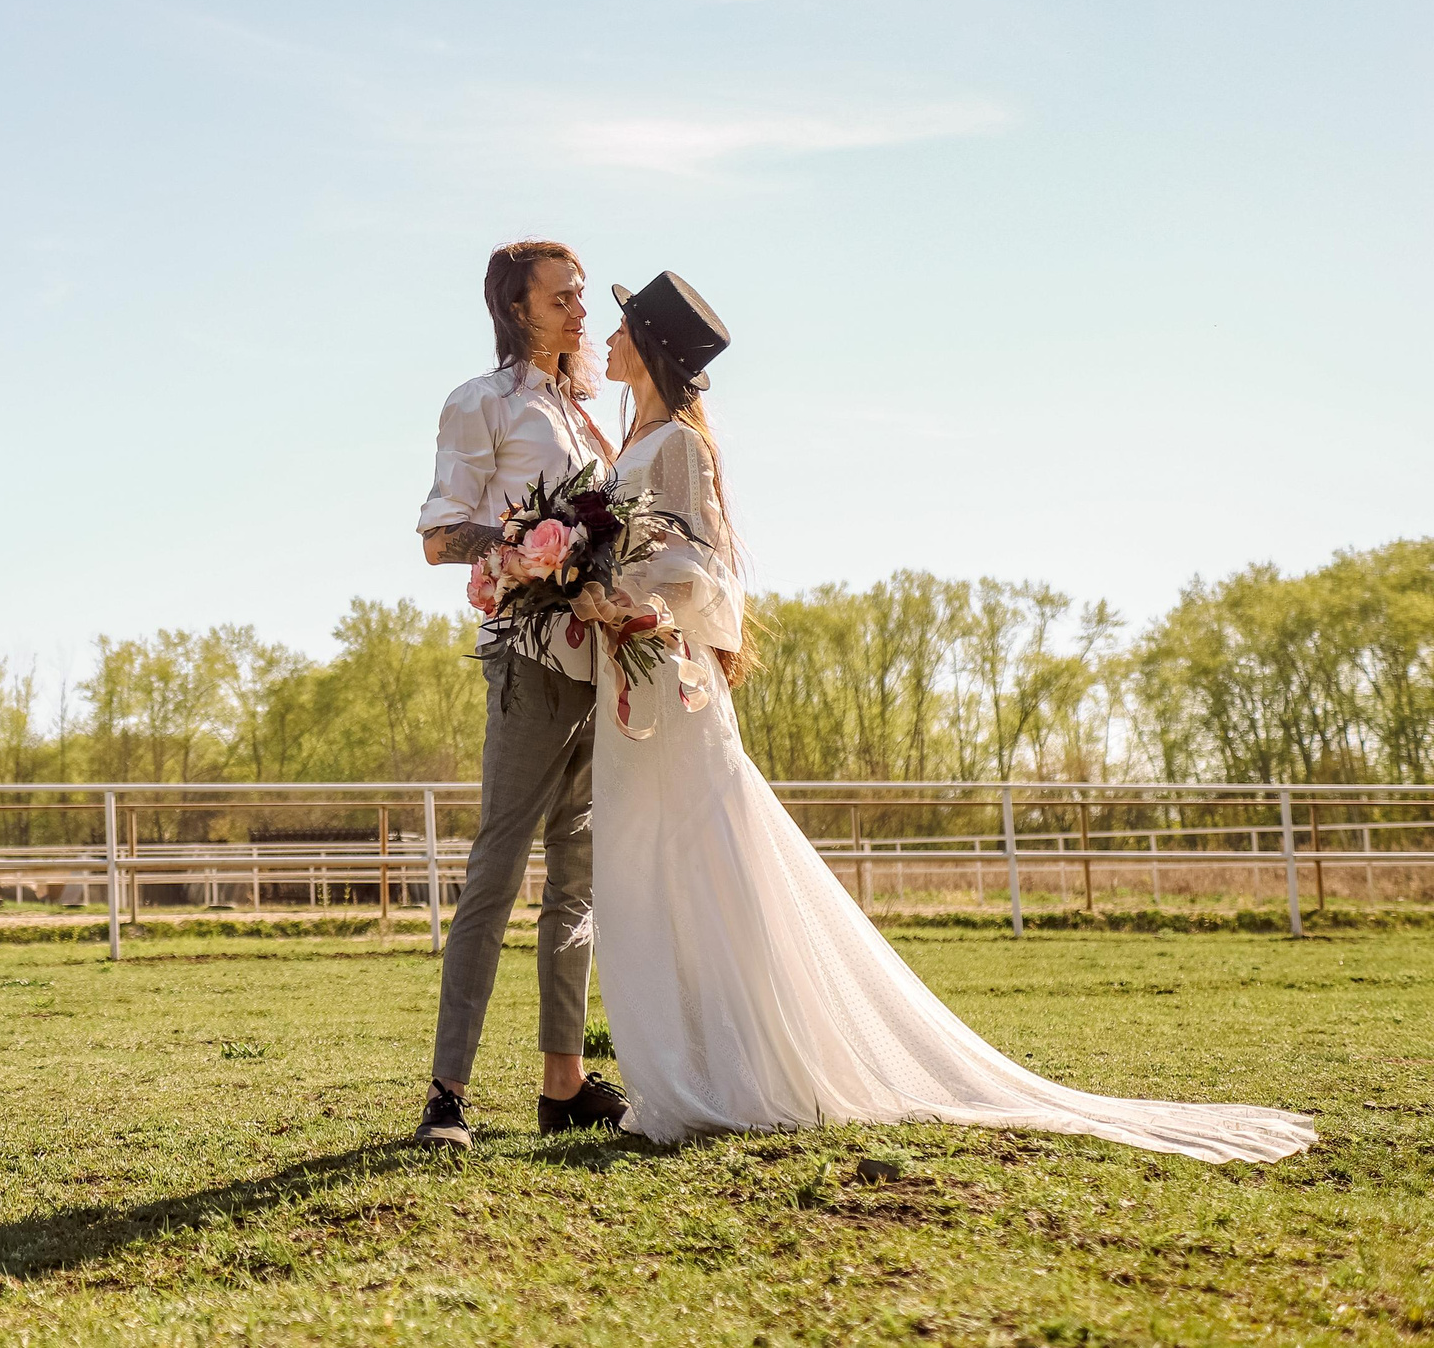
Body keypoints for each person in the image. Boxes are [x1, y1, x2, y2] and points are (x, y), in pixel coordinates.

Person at [577, 270, 1314, 1163]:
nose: (605, 342)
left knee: (693, 860)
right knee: (641, 864)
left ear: (648, 345)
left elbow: (701, 575)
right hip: (633, 682)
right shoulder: (632, 447)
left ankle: (726, 1073)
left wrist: (618, 596)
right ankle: (679, 1067)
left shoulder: (676, 449)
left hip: (666, 683)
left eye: (619, 329)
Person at [411, 240, 636, 1148]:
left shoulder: (589, 414)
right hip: (528, 655)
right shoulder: (482, 403)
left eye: (581, 296)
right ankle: (447, 1095)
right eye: (562, 299)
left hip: (599, 667)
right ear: (517, 308)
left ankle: (562, 1085)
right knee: (495, 875)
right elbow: (435, 534)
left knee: (575, 884)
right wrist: (523, 546)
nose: (580, 311)